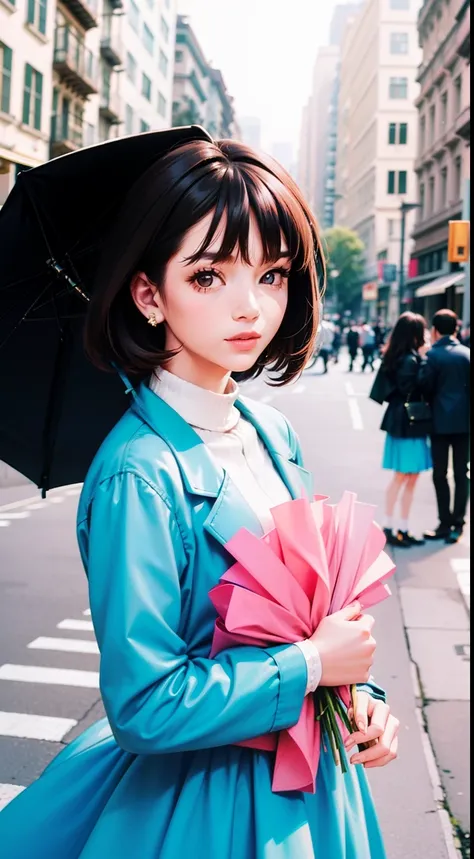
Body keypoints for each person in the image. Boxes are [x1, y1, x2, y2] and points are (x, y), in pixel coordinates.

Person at [0, 138, 399, 859]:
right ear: (148, 294)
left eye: (272, 273)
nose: (251, 306)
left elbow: (310, 616)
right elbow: (145, 705)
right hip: (202, 804)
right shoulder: (137, 472)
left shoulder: (271, 432)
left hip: (314, 777)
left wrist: (360, 700)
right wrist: (309, 665)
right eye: (210, 275)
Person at [377, 312, 431, 547]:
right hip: (408, 422)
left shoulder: (396, 356)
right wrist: (424, 360)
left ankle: (398, 526)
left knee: (406, 477)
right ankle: (393, 527)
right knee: (405, 477)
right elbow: (413, 386)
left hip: (401, 421)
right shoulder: (409, 359)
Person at [419, 309, 470, 544]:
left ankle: (444, 522)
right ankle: (458, 524)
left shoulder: (433, 356)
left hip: (438, 421)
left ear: (435, 330)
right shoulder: (467, 354)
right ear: (456, 329)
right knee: (462, 472)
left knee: (440, 474)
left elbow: (424, 387)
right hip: (464, 423)